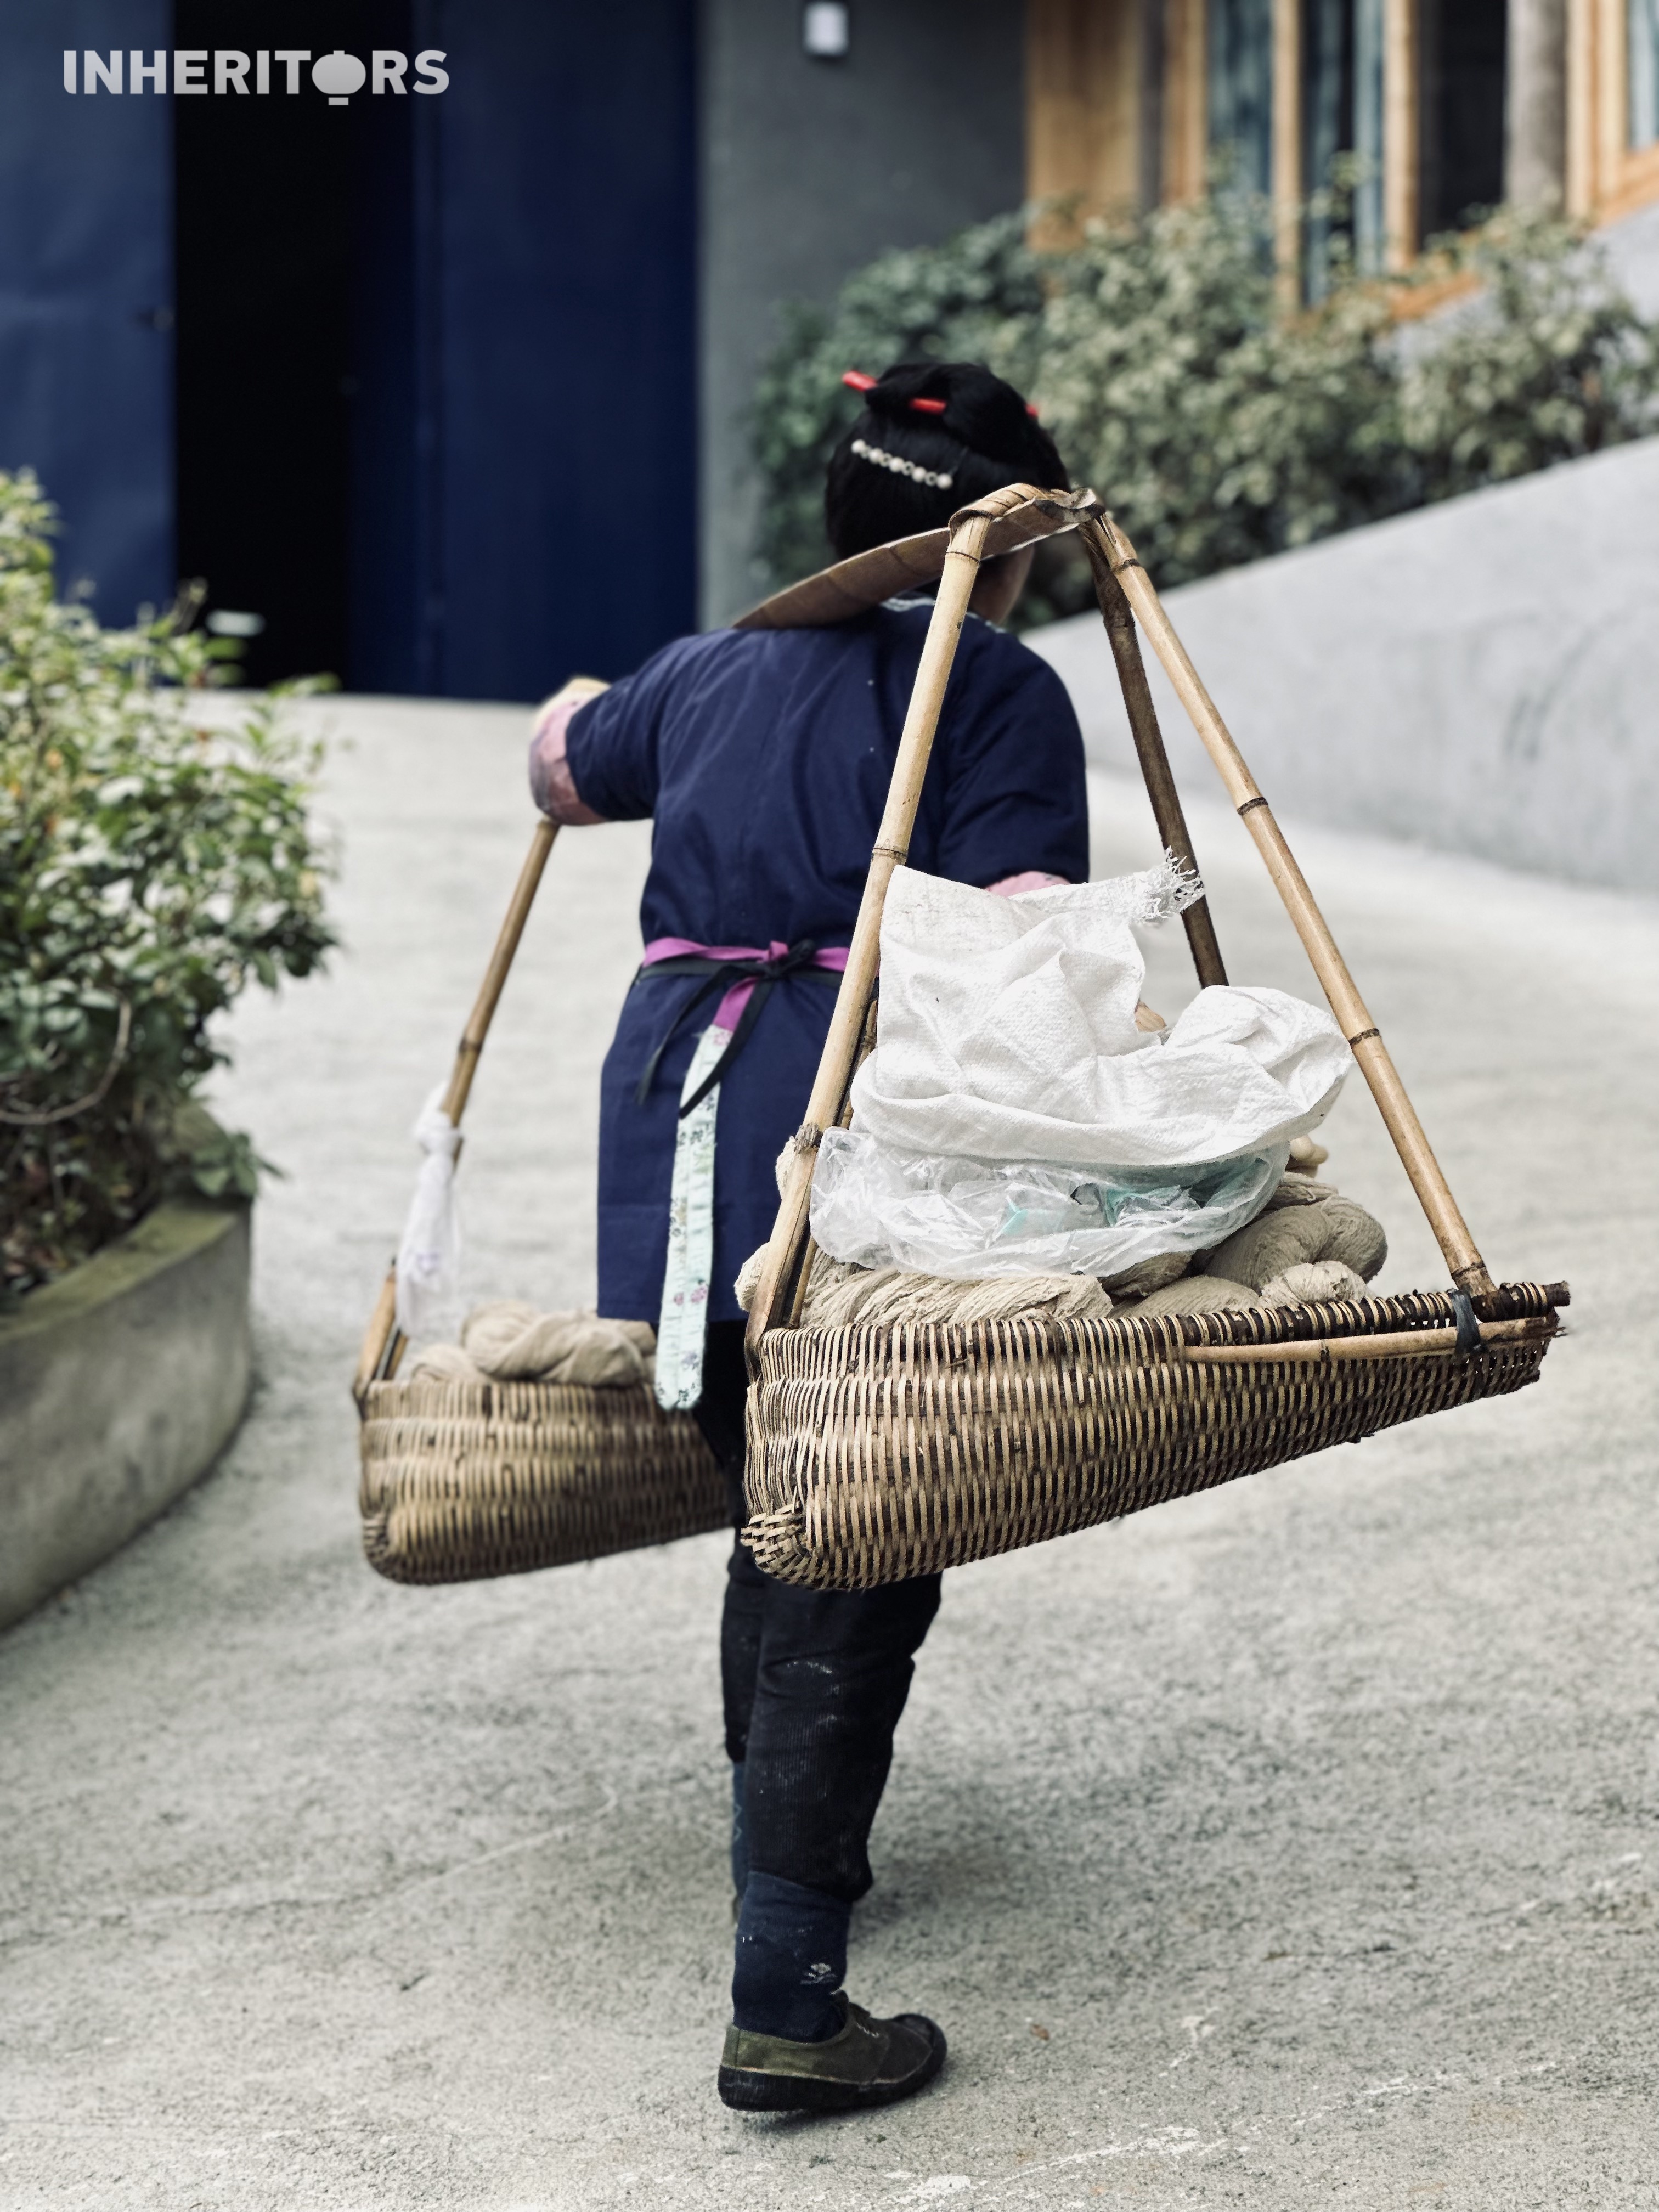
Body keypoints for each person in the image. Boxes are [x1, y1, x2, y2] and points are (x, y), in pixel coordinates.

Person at [529, 360, 1089, 2113]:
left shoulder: (703, 672)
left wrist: (577, 715)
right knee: (860, 1517)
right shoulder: (991, 692)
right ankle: (788, 1992)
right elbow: (1020, 960)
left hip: (669, 1130)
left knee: (775, 1494)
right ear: (990, 557)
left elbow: (557, 766)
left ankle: (782, 1853)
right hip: (841, 1129)